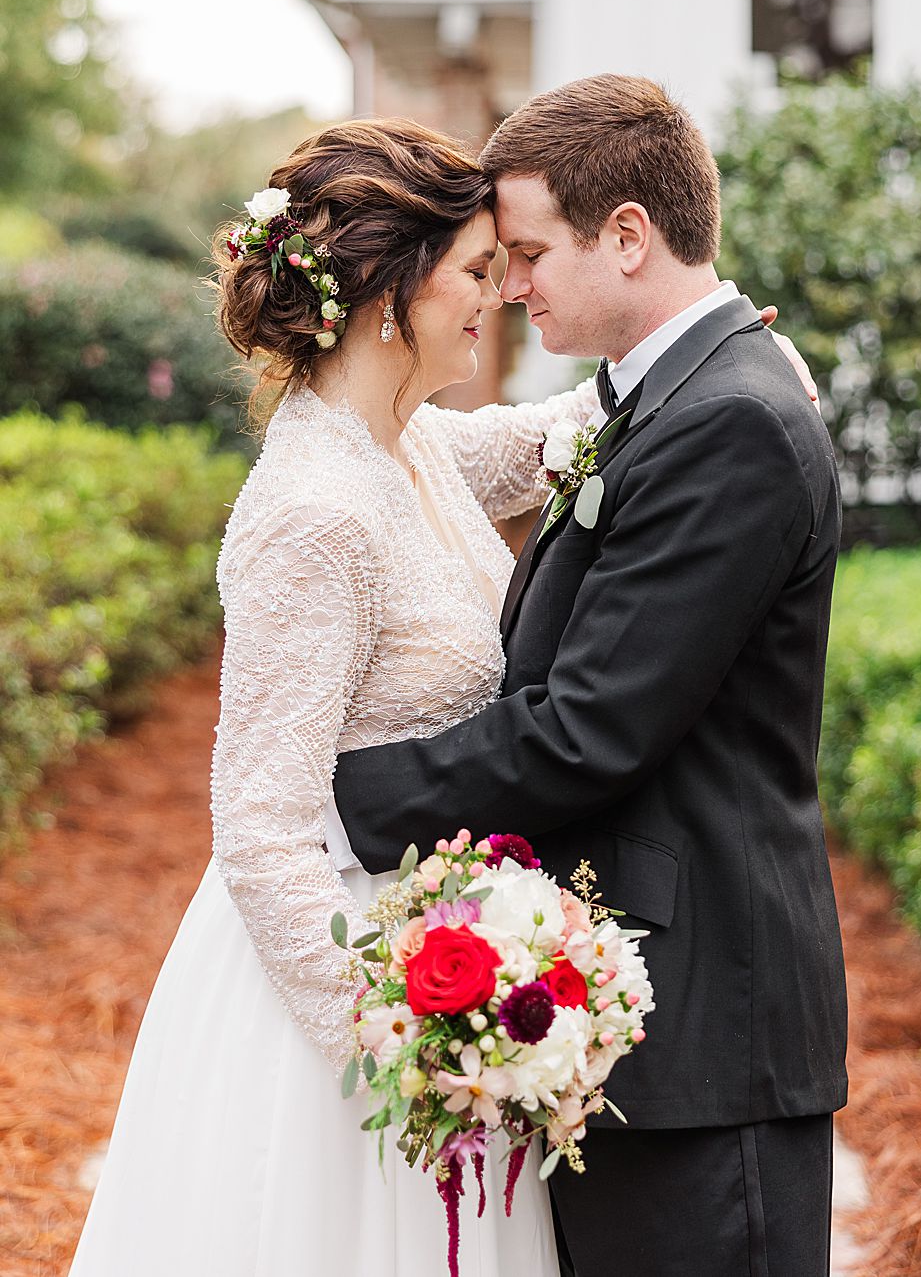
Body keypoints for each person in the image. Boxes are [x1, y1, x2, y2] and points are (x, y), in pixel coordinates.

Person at [69, 110, 818, 1277]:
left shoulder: (408, 448)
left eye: (512, 263)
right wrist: (400, 1048)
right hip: (348, 991)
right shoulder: (315, 509)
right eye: (480, 269)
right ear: (391, 294)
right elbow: (262, 832)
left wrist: (732, 351)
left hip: (449, 949)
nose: (503, 295)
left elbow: (569, 432)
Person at [329, 75, 848, 1277]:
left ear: (627, 234)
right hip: (637, 1018)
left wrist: (335, 798)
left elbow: (586, 732)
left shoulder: (728, 420)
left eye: (527, 253)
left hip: (707, 1032)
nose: (511, 286)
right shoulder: (665, 395)